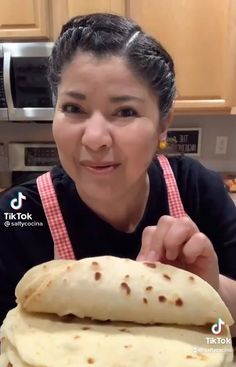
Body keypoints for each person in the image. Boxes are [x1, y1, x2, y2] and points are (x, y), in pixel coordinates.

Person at [0, 13, 236, 337]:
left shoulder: (196, 189)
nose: (95, 138)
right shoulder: (19, 218)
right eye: (73, 108)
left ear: (163, 123)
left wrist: (209, 290)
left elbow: (224, 326)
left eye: (125, 112)